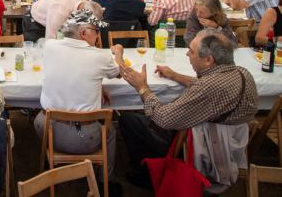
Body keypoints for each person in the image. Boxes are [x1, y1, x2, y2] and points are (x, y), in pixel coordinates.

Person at [119, 30, 258, 189]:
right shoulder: (242, 72)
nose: (187, 54)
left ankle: (148, 177)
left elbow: (164, 119)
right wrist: (175, 76)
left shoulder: (209, 87)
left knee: (129, 120)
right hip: (233, 142)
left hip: (208, 149)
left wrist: (142, 87)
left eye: (191, 51)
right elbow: (204, 86)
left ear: (208, 60)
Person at [36, 10, 123, 188]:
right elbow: (119, 72)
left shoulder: (50, 46)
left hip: (46, 127)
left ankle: (48, 160)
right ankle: (106, 181)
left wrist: (99, 85)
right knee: (112, 128)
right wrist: (118, 52)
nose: (99, 36)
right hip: (84, 138)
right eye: (96, 31)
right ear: (83, 33)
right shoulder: (101, 56)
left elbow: (72, 69)